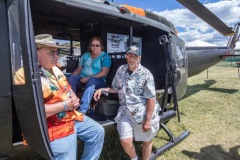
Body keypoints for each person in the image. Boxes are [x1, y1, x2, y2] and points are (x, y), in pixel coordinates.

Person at [14, 34, 104, 160]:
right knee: (67, 152)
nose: (57, 56)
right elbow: (32, 112)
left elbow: (67, 89)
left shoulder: (55, 69)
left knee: (98, 132)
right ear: (36, 53)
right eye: (52, 52)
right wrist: (65, 105)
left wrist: (74, 98)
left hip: (70, 116)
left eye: (57, 52)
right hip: (51, 125)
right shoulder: (24, 75)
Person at [94, 45, 160, 160]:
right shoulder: (121, 70)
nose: (131, 58)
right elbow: (116, 88)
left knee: (146, 140)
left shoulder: (146, 74)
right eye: (129, 55)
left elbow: (151, 99)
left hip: (142, 112)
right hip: (125, 111)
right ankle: (134, 158)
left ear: (139, 58)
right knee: (125, 140)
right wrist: (102, 89)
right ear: (126, 56)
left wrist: (148, 121)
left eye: (134, 56)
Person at [68, 37, 111, 114]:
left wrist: (88, 78)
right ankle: (72, 104)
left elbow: (104, 73)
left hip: (99, 80)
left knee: (92, 80)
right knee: (71, 79)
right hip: (83, 78)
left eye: (97, 45)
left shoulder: (105, 56)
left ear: (101, 46)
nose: (94, 47)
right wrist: (67, 80)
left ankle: (82, 109)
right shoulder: (85, 55)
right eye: (92, 45)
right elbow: (78, 70)